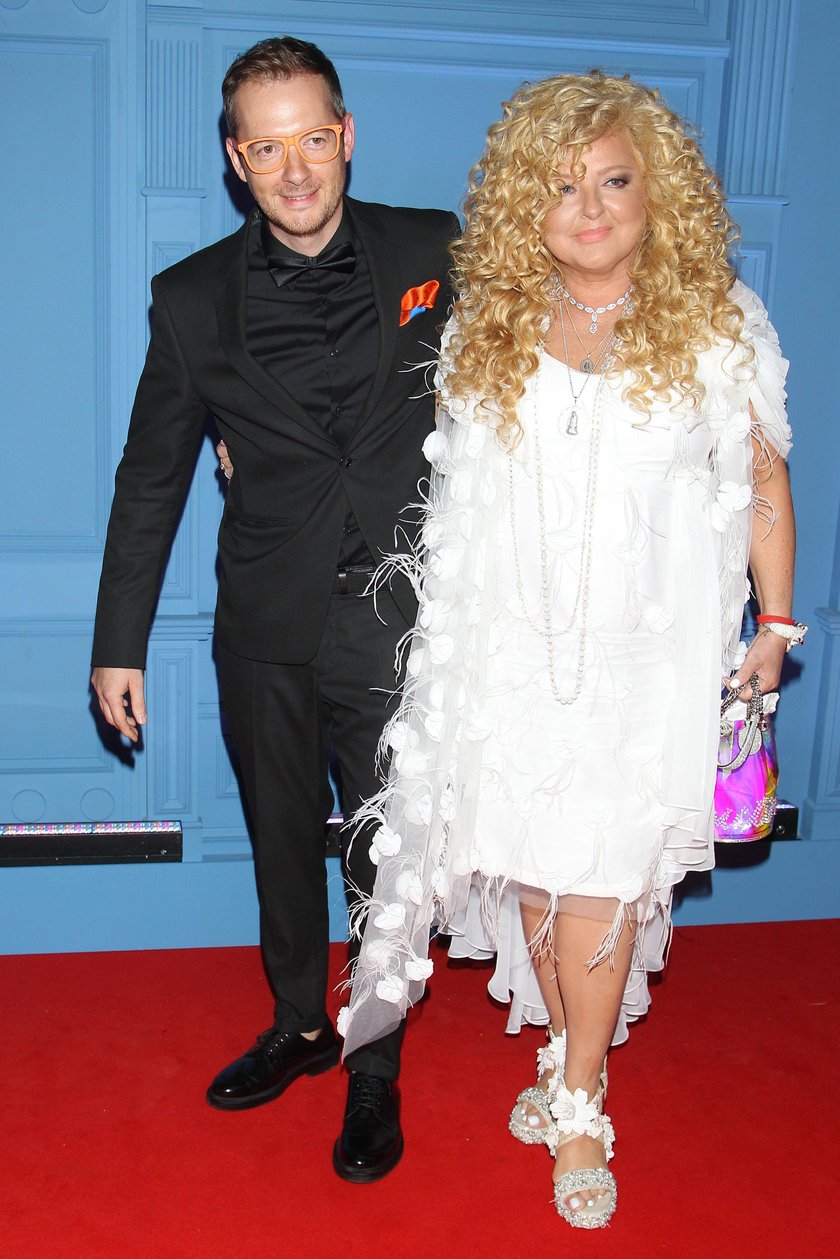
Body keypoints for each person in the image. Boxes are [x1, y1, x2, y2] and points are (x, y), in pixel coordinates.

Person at [340, 72, 799, 1225]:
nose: (588, 208)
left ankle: (584, 1096)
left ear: (657, 193)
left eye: (613, 180)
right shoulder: (489, 327)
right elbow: (446, 493)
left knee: (604, 875)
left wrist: (777, 623)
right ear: (523, 207)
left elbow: (762, 482)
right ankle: (559, 1056)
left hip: (648, 663)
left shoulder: (717, 323)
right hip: (513, 660)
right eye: (560, 187)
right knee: (541, 872)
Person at [90, 35, 458, 1183]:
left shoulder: (435, 249)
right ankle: (302, 1022)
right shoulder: (192, 298)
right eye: (266, 148)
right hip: (265, 619)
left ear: (346, 136)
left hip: (403, 616)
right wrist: (117, 642)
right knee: (283, 838)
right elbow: (151, 473)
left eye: (312, 139)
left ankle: (374, 1062)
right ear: (235, 159)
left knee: (388, 854)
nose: (294, 170)